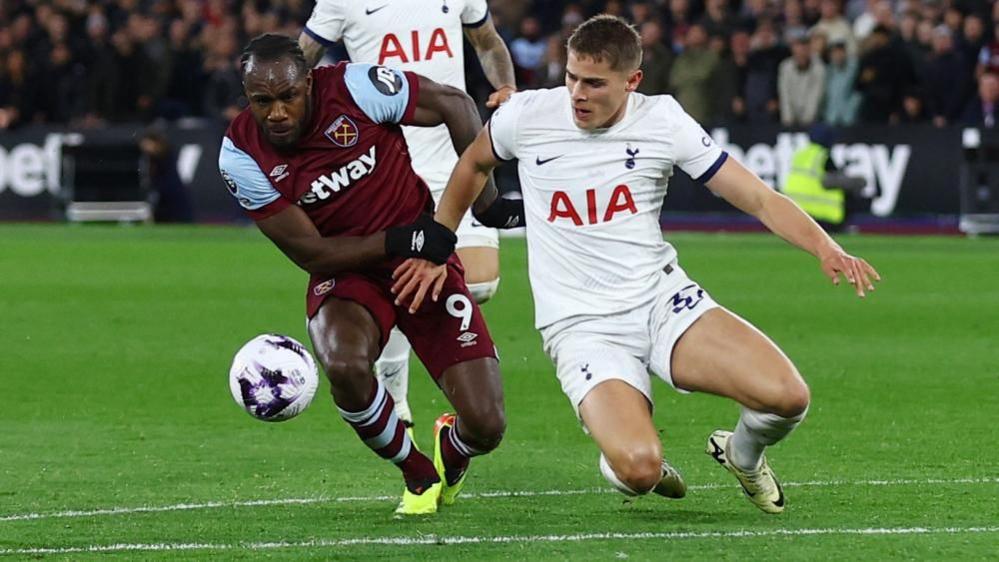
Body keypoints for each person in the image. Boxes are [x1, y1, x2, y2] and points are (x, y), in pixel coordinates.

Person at [392, 15, 881, 514]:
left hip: (661, 301)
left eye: (595, 83)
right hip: (581, 325)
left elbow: (756, 196)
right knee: (639, 470)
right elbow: (473, 163)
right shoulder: (529, 115)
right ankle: (625, 453)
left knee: (787, 398)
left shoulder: (663, 122)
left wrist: (826, 248)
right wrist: (438, 244)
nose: (578, 93)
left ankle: (742, 453)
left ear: (633, 81)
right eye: (571, 77)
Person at [218, 34, 523, 515]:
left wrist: (486, 208)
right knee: (342, 362)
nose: (277, 112)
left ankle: (453, 447)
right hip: (347, 272)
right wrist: (401, 240)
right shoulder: (240, 155)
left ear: (310, 84)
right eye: (262, 101)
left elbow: (457, 105)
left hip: (423, 266)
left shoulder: (358, 88)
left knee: (487, 425)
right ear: (247, 95)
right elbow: (312, 253)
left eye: (288, 97)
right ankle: (417, 471)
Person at [298, 0, 517, 436]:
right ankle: (395, 392)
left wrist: (506, 86)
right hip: (387, 171)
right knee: (403, 272)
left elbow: (487, 40)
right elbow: (299, 61)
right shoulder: (340, 3)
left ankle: (409, 356)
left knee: (481, 281)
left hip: (456, 156)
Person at [782, 124, 867, 232]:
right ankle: (843, 227)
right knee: (853, 188)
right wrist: (860, 181)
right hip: (821, 216)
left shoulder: (800, 154)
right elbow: (831, 182)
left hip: (794, 212)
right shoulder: (822, 155)